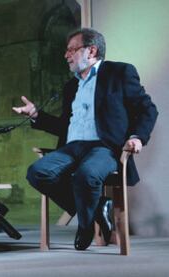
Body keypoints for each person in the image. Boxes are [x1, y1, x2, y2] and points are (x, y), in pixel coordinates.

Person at [13, 28, 158, 250]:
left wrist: (137, 137)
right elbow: (65, 126)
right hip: (72, 148)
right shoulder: (71, 86)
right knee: (37, 172)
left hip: (104, 147)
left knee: (87, 174)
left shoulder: (119, 73)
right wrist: (36, 116)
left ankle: (85, 226)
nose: (66, 55)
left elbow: (147, 109)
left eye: (72, 49)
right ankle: (97, 209)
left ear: (91, 50)